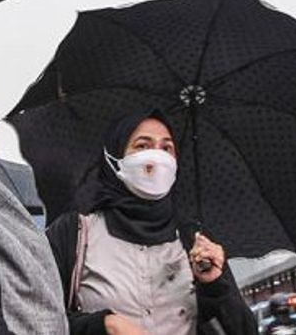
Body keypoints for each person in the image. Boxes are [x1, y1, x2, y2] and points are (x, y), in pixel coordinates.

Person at [47, 111, 256, 335]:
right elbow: (36, 318)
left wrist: (214, 285)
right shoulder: (75, 234)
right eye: (142, 146)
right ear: (113, 158)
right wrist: (104, 326)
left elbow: (244, 331)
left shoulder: (193, 240)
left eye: (166, 148)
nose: (157, 157)